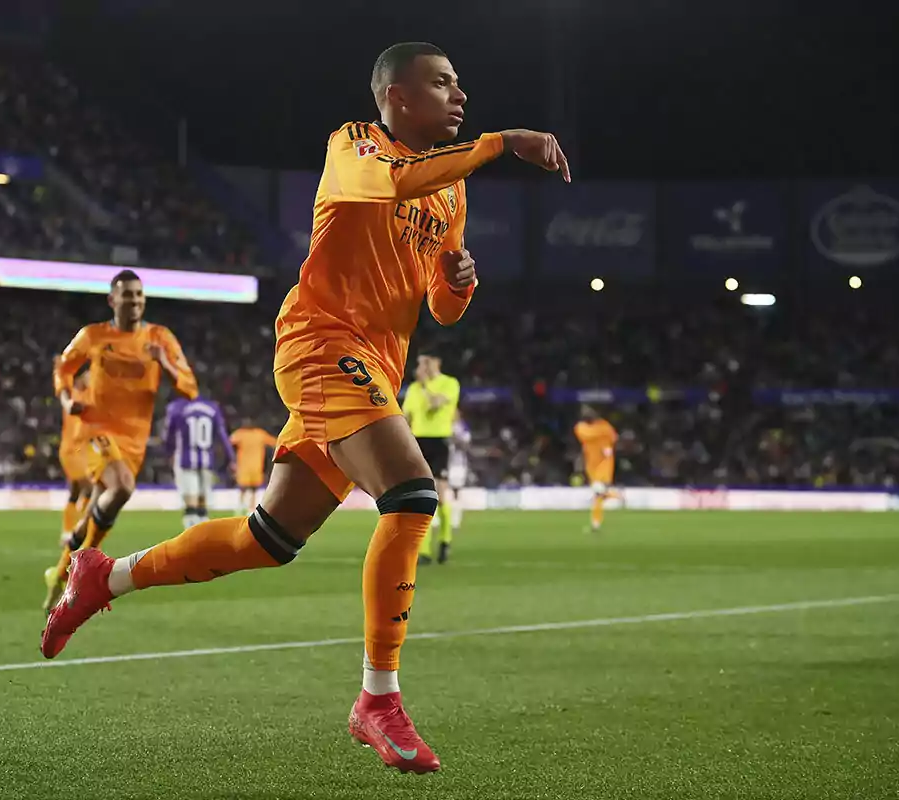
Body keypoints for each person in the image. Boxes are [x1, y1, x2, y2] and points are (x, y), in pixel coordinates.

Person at [41, 41, 569, 774]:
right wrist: (502, 143)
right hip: (322, 344)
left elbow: (440, 308)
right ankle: (377, 699)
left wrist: (457, 281)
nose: (461, 95)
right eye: (444, 82)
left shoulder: (451, 191)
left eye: (461, 86)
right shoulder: (353, 145)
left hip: (373, 366)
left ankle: (104, 575)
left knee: (267, 541)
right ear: (397, 97)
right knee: (414, 496)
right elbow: (390, 186)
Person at [41, 269, 199, 614]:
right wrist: (67, 401)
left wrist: (164, 364)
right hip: (95, 431)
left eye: (139, 296)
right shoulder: (93, 336)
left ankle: (60, 578)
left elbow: (189, 387)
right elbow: (63, 369)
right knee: (122, 487)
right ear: (112, 300)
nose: (135, 302)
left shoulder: (160, 338)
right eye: (127, 295)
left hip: (133, 442)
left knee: (93, 517)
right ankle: (83, 575)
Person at [402, 353, 460, 565]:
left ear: (436, 362)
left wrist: (426, 385)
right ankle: (423, 552)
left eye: (424, 362)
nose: (420, 367)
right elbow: (405, 417)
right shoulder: (414, 389)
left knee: (441, 496)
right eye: (418, 364)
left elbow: (436, 404)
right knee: (420, 497)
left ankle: (445, 539)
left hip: (439, 442)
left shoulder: (449, 384)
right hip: (418, 443)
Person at [163, 395, 234, 529]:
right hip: (207, 460)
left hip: (185, 459)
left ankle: (191, 532)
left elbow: (169, 435)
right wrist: (231, 458)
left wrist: (168, 452)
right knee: (203, 501)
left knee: (190, 500)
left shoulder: (177, 407)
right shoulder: (212, 407)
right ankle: (202, 534)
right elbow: (222, 435)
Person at [56, 370, 92, 545]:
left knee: (75, 491)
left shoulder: (87, 394)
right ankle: (82, 529)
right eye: (89, 375)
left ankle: (68, 531)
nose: (92, 378)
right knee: (90, 487)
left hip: (82, 449)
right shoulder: (75, 395)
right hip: (72, 450)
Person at [573, 405, 619, 531]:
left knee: (598, 493)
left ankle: (596, 524)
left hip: (604, 466)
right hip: (592, 467)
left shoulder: (588, 428)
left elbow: (612, 440)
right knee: (599, 494)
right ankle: (617, 496)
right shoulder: (603, 428)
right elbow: (613, 438)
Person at [229, 419, 278, 515]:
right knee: (252, 488)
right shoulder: (259, 434)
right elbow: (275, 442)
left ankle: (241, 507)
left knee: (245, 487)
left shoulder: (241, 434)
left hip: (245, 466)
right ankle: (249, 508)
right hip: (255, 466)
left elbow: (229, 441)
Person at [445, 410, 472, 538]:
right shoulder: (442, 425)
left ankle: (455, 520)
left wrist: (455, 438)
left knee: (456, 491)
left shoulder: (462, 427)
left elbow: (466, 445)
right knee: (440, 491)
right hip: (444, 462)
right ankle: (438, 519)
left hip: (458, 464)